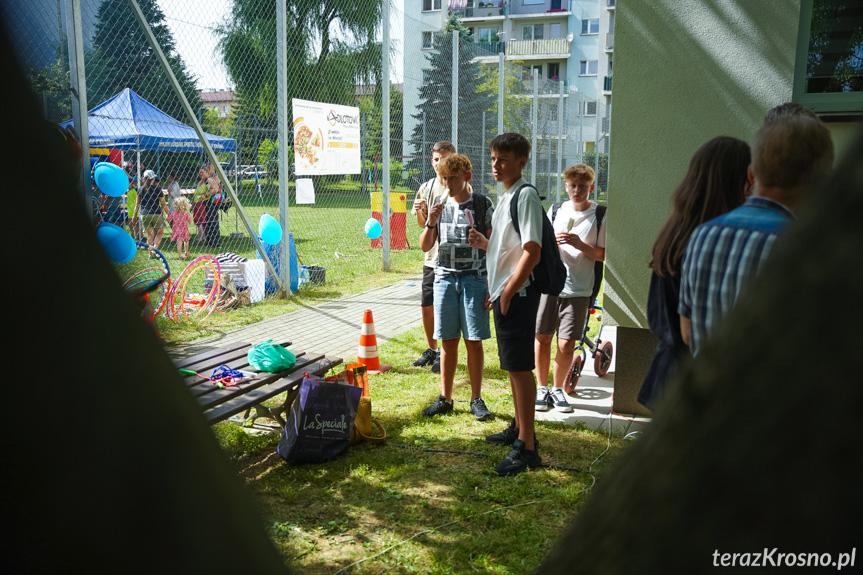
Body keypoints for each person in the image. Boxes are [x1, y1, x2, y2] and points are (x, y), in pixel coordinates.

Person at [679, 110, 834, 357]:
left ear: (751, 175)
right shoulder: (810, 250)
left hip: (709, 392)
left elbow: (687, 333)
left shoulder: (702, 235)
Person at [637, 137, 750, 410]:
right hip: (693, 376)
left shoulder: (677, 231)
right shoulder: (710, 241)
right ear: (738, 181)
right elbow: (695, 331)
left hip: (668, 369)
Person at [469, 133, 544, 476]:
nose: (496, 165)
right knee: (513, 367)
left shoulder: (525, 195)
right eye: (494, 158)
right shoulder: (507, 197)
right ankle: (518, 427)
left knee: (519, 369)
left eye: (503, 159)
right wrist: (487, 249)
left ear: (521, 163)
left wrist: (510, 291)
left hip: (518, 294)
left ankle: (526, 447)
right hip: (503, 293)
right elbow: (507, 250)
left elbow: (532, 250)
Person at [417, 153, 495, 421]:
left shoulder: (482, 204)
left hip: (474, 279)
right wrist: (430, 222)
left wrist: (483, 242)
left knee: (474, 341)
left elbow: (496, 247)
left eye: (454, 178)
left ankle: (476, 398)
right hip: (445, 279)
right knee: (448, 342)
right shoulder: (438, 203)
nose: (448, 184)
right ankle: (445, 398)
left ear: (467, 177)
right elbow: (426, 246)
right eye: (444, 178)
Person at [534, 165, 606, 414]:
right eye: (573, 186)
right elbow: (539, 246)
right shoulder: (555, 210)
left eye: (583, 187)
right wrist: (551, 244)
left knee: (566, 344)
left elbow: (603, 254)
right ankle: (542, 389)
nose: (577, 191)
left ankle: (558, 389)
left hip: (579, 288)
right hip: (551, 285)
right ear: (566, 186)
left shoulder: (600, 215)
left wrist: (580, 244)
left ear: (591, 188)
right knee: (542, 337)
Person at [411, 141, 473, 373]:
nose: (440, 164)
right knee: (427, 304)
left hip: (454, 261)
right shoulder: (427, 188)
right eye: (437, 159)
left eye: (445, 160)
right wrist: (420, 211)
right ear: (432, 160)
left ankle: (446, 353)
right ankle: (432, 348)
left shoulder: (460, 188)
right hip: (432, 257)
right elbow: (423, 225)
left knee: (447, 307)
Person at [132, 169, 168, 250]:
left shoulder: (140, 189)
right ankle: (155, 249)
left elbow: (137, 204)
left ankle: (150, 254)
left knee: (150, 235)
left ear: (144, 179)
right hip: (156, 214)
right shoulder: (158, 189)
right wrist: (169, 213)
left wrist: (134, 216)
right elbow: (163, 204)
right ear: (153, 179)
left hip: (144, 215)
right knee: (159, 233)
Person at [168, 196, 193, 261]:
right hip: (184, 230)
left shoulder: (173, 214)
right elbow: (190, 221)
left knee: (179, 243)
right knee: (186, 241)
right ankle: (186, 252)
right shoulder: (186, 214)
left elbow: (169, 219)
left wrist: (166, 218)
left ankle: (180, 256)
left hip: (177, 230)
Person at [204, 163, 222, 248]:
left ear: (213, 169)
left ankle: (216, 241)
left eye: (209, 168)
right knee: (209, 222)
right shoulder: (207, 178)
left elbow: (215, 189)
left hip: (213, 202)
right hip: (208, 202)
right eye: (206, 168)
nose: (207, 169)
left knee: (213, 221)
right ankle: (210, 240)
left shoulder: (215, 178)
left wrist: (206, 195)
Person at [192, 166, 209, 243]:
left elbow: (209, 190)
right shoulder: (199, 183)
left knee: (201, 220)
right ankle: (202, 236)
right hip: (196, 204)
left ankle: (201, 237)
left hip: (202, 204)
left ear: (206, 172)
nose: (200, 174)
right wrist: (192, 206)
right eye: (199, 172)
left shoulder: (207, 182)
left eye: (202, 172)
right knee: (197, 220)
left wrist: (204, 195)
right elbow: (195, 195)